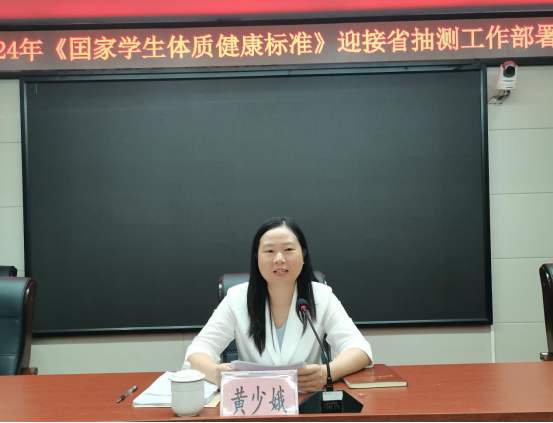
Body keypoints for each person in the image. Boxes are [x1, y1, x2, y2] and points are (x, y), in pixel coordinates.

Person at [185, 217, 373, 392]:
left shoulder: (321, 296)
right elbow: (197, 352)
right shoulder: (237, 298)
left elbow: (359, 349)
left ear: (303, 255)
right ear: (257, 257)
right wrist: (215, 373)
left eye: (288, 249)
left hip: (305, 400)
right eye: (269, 251)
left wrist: (326, 373)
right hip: (253, 402)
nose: (279, 259)